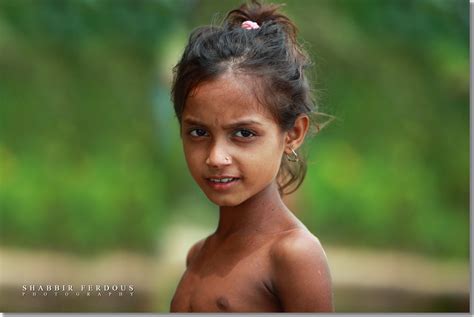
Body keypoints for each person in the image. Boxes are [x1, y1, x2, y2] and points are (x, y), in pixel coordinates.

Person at [169, 0, 333, 312]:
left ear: (293, 134)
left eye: (243, 134)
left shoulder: (293, 255)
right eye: (198, 132)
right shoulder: (198, 254)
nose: (216, 157)